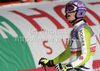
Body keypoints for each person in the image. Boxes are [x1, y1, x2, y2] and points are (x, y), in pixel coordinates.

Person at [38, 0, 96, 71]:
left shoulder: (83, 29)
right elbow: (67, 53)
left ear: (80, 11)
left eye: (71, 9)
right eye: (66, 9)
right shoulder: (74, 31)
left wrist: (68, 66)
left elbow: (86, 55)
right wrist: (50, 62)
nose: (67, 12)